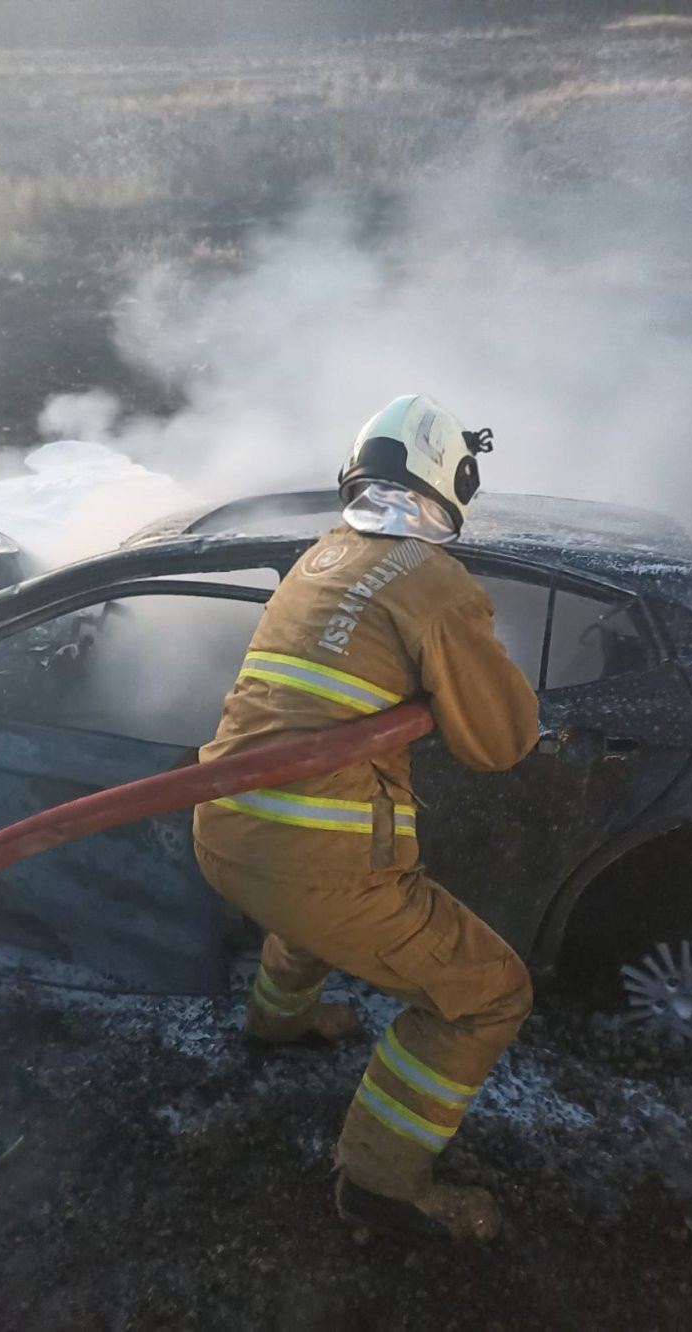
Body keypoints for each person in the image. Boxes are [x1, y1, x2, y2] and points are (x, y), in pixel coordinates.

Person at [192, 394, 539, 1244]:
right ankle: (381, 1186)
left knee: (304, 914)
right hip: (317, 861)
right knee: (490, 997)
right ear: (451, 479)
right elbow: (501, 743)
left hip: (227, 832)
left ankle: (278, 1024)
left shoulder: (322, 555)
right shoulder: (435, 583)